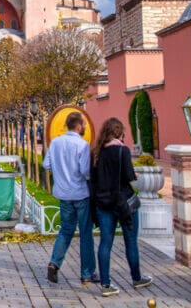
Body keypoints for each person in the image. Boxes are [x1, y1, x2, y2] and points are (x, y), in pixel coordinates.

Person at [91, 117, 152, 297]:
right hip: (124, 202)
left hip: (104, 203)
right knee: (130, 241)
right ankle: (136, 278)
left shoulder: (96, 152)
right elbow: (129, 176)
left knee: (105, 243)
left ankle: (105, 284)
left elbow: (93, 180)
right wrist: (135, 174)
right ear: (119, 132)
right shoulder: (122, 150)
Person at [43, 112, 98, 285]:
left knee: (65, 231)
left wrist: (61, 173)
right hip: (81, 194)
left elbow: (46, 164)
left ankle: (54, 263)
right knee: (85, 233)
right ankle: (87, 273)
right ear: (80, 126)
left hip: (63, 194)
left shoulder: (56, 143)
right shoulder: (82, 145)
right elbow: (85, 171)